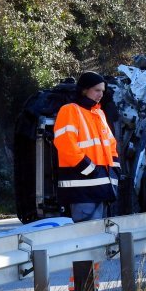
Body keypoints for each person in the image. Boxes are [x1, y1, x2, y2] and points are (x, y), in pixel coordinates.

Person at [53, 72, 119, 222]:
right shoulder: (70, 110)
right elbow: (65, 144)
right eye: (97, 90)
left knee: (100, 237)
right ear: (84, 90)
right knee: (88, 236)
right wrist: (90, 169)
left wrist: (114, 169)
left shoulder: (99, 113)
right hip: (82, 188)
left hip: (101, 187)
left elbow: (111, 145)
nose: (101, 94)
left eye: (102, 91)